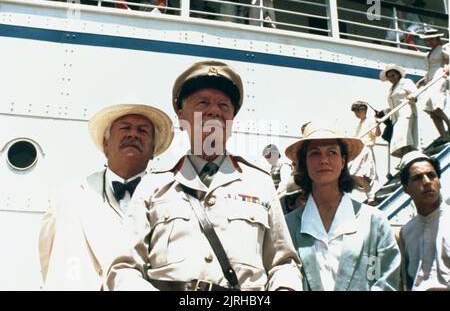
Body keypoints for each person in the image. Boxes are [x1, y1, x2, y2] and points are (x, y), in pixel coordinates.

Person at [107, 60, 303, 291]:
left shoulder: (259, 183)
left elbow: (284, 263)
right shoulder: (154, 184)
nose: (214, 111)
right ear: (181, 117)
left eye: (224, 105)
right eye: (203, 103)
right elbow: (124, 268)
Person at [38, 103, 174, 290]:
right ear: (106, 144)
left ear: (153, 150)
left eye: (143, 131)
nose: (133, 134)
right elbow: (48, 260)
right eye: (125, 128)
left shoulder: (171, 200)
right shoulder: (66, 197)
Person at [284, 121, 401, 290]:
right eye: (315, 153)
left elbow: (386, 280)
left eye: (332, 152)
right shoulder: (289, 227)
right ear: (305, 162)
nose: (324, 160)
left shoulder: (375, 222)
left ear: (343, 160)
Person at [398, 151, 450, 290]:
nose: (427, 182)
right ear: (405, 189)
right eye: (417, 178)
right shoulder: (406, 232)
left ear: (439, 182)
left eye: (431, 175)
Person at [417, 28, 450, 141]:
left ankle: (449, 124)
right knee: (429, 108)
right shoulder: (429, 53)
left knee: (435, 104)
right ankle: (444, 135)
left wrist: (447, 68)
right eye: (427, 40)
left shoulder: (442, 49)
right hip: (430, 79)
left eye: (431, 40)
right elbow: (430, 69)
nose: (429, 42)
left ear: (437, 39)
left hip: (439, 77)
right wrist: (423, 80)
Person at [380, 64, 418, 158]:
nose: (391, 78)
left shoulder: (406, 82)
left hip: (406, 113)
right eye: (388, 77)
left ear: (398, 74)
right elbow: (393, 106)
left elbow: (415, 92)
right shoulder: (391, 89)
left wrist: (413, 97)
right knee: (401, 138)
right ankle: (407, 158)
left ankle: (406, 158)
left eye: (393, 75)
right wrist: (383, 112)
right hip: (396, 118)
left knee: (403, 138)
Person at [348, 101, 381, 204]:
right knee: (355, 174)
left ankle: (371, 196)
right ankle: (371, 196)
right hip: (359, 149)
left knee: (359, 173)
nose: (356, 114)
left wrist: (378, 124)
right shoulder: (360, 123)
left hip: (365, 149)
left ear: (363, 110)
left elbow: (377, 133)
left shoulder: (370, 120)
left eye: (357, 111)